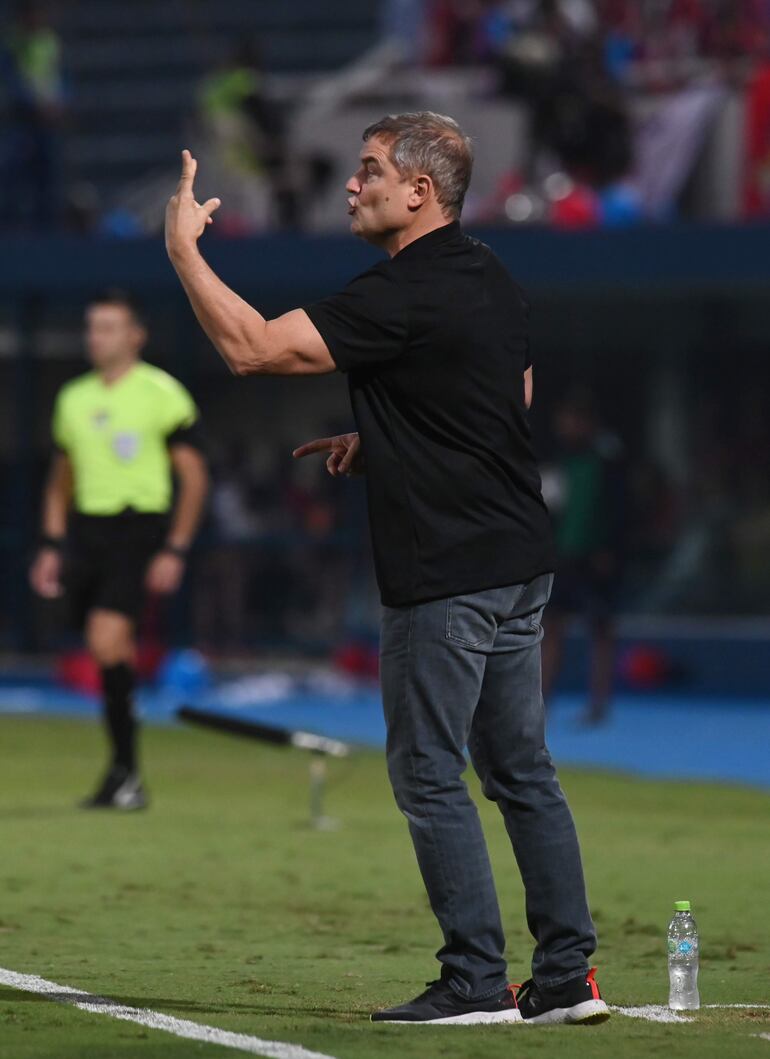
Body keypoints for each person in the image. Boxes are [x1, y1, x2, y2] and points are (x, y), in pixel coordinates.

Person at [165, 111, 609, 1025]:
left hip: (445, 569)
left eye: (368, 170)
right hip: (519, 561)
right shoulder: (491, 275)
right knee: (522, 770)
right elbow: (509, 392)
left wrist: (182, 253)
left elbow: (252, 347)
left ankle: (475, 980)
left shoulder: (399, 291)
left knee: (427, 770)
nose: (351, 184)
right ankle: (567, 977)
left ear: (420, 190)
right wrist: (390, 436)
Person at [29, 291, 209, 810]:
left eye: (108, 327)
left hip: (138, 528)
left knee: (106, 637)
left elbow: (194, 478)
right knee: (107, 649)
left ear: (136, 336)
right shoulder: (73, 398)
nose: (97, 337)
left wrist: (175, 548)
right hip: (87, 532)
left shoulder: (162, 393)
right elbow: (60, 482)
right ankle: (125, 775)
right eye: (92, 327)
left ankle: (125, 773)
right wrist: (50, 544)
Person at [540, 387, 626, 725]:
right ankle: (541, 703)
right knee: (550, 627)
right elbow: (549, 507)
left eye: (573, 420)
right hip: (562, 558)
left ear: (587, 422)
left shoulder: (608, 460)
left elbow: (620, 510)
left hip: (596, 559)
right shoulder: (558, 461)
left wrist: (611, 550)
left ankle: (598, 704)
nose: (566, 426)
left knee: (600, 628)